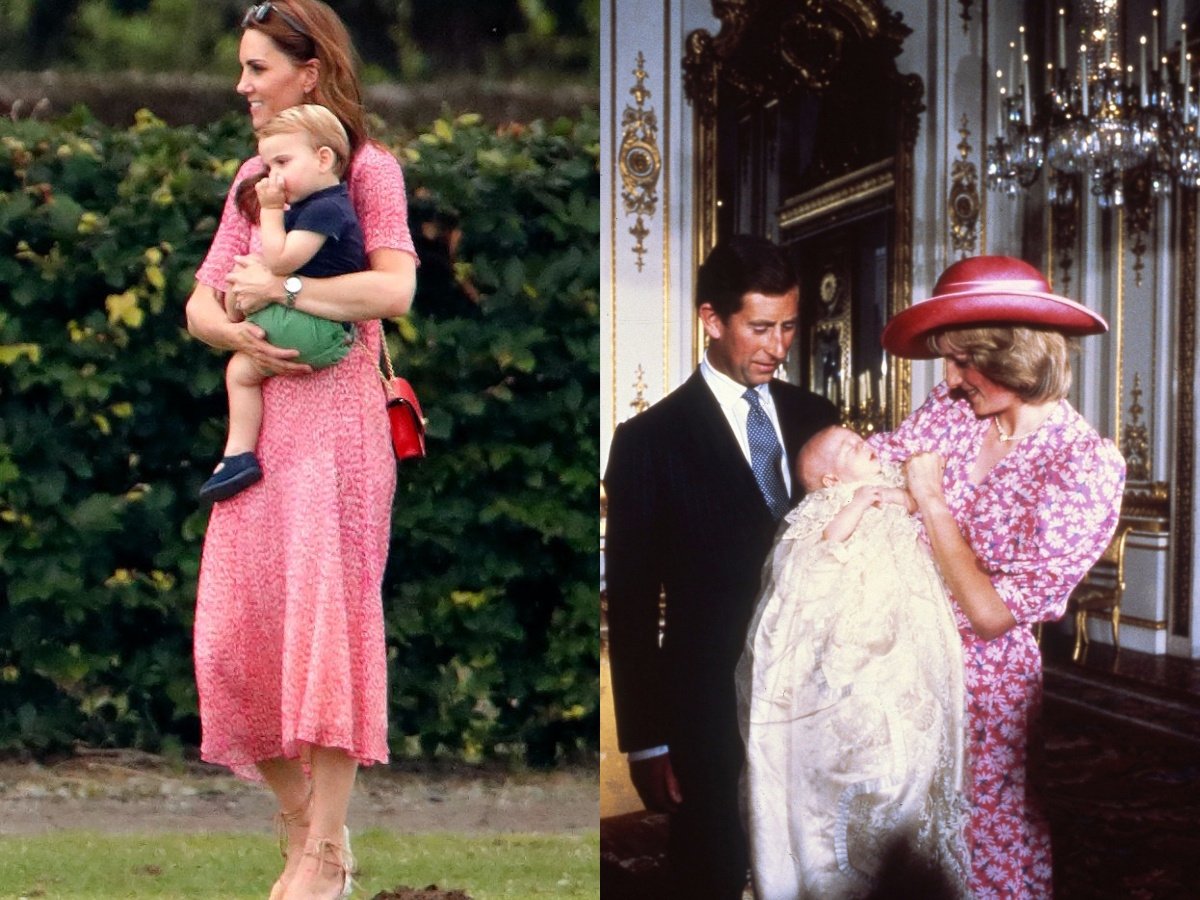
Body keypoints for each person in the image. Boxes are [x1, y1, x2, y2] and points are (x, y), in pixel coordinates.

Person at [183, 3, 417, 898]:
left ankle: (319, 856)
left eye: (257, 68)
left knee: (329, 629)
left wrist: (280, 286)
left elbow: (392, 288)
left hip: (340, 426)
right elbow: (204, 303)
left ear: (309, 71)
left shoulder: (368, 170)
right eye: (240, 69)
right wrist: (241, 340)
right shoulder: (254, 174)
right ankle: (304, 827)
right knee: (230, 637)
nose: (241, 86)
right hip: (268, 424)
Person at [869, 255, 1126, 899]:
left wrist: (926, 500)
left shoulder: (1081, 467)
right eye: (947, 361)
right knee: (898, 842)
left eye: (963, 361)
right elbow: (876, 463)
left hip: (986, 688)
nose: (951, 380)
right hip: (902, 660)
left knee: (983, 846)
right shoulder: (955, 409)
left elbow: (989, 615)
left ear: (1015, 356)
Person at [603, 235, 839, 898]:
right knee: (710, 862)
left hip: (817, 693)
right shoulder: (649, 443)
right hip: (706, 707)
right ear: (713, 320)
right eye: (760, 327)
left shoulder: (817, 417)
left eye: (790, 327)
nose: (778, 346)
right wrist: (646, 742)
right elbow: (628, 604)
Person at [737, 425, 969, 900]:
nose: (860, 442)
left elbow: (912, 504)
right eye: (845, 447)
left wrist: (901, 496)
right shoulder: (832, 503)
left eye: (855, 437)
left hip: (902, 611)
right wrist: (860, 502)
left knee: (911, 714)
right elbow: (827, 541)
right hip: (853, 618)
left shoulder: (884, 477)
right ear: (828, 481)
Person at [200, 103, 366, 503]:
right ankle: (237, 455)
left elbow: (280, 261)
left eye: (282, 163)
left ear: (324, 158)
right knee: (240, 368)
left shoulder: (327, 209)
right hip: (313, 322)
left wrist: (272, 211)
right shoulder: (315, 206)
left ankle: (239, 454)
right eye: (267, 165)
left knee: (247, 292)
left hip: (321, 329)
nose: (272, 177)